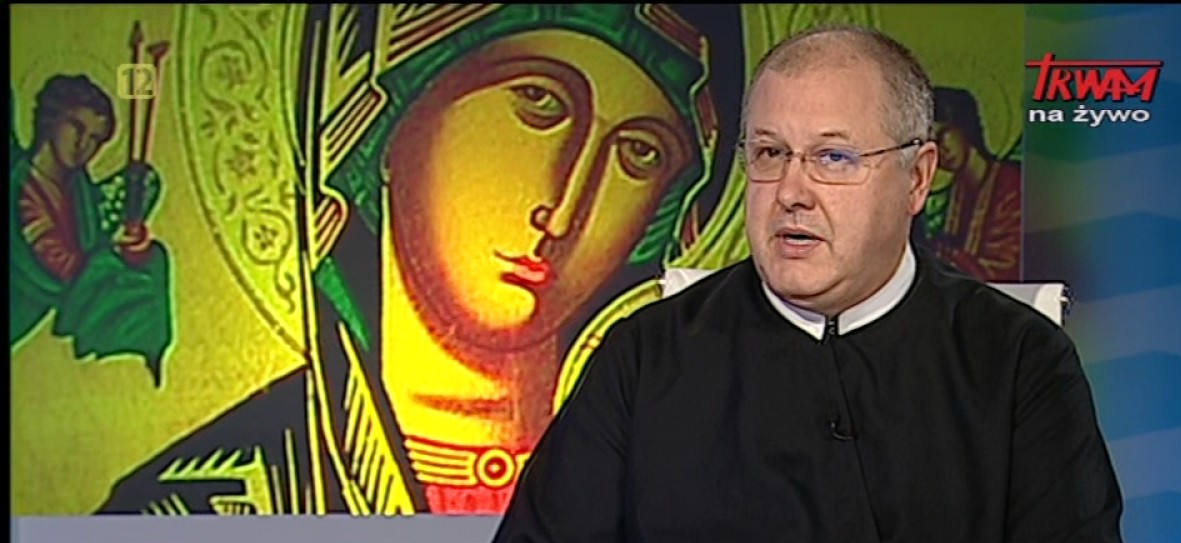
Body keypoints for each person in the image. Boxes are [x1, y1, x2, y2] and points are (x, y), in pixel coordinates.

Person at [490, 23, 1124, 543]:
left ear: (917, 178)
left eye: (833, 158)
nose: (791, 191)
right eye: (769, 153)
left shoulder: (1019, 356)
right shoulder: (646, 354)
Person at [95, 4, 723, 516]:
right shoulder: (200, 507)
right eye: (538, 102)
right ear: (388, 121)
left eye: (640, 152)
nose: (565, 213)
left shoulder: (686, 489)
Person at [9, 75, 173, 383]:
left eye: (96, 139)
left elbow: (92, 246)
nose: (83, 145)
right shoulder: (21, 184)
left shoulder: (83, 201)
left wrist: (134, 250)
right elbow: (52, 256)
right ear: (51, 119)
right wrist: (106, 263)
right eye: (76, 127)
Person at [926, 87, 1022, 282]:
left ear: (964, 127)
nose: (941, 148)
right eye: (930, 143)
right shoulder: (956, 192)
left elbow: (1004, 265)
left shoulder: (1012, 184)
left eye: (943, 134)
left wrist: (949, 258)